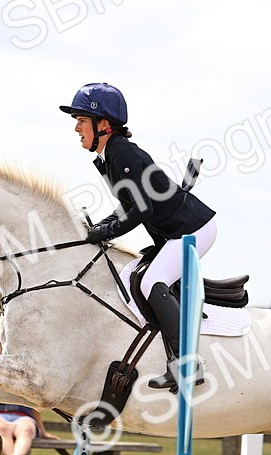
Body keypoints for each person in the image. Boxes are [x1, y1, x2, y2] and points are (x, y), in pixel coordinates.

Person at [59, 82, 215, 389]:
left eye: (82, 120)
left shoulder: (122, 154)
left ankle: (187, 364)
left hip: (192, 230)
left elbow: (142, 208)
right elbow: (127, 205)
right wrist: (98, 228)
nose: (77, 128)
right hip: (175, 232)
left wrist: (107, 231)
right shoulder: (110, 155)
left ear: (104, 125)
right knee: (139, 276)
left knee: (151, 282)